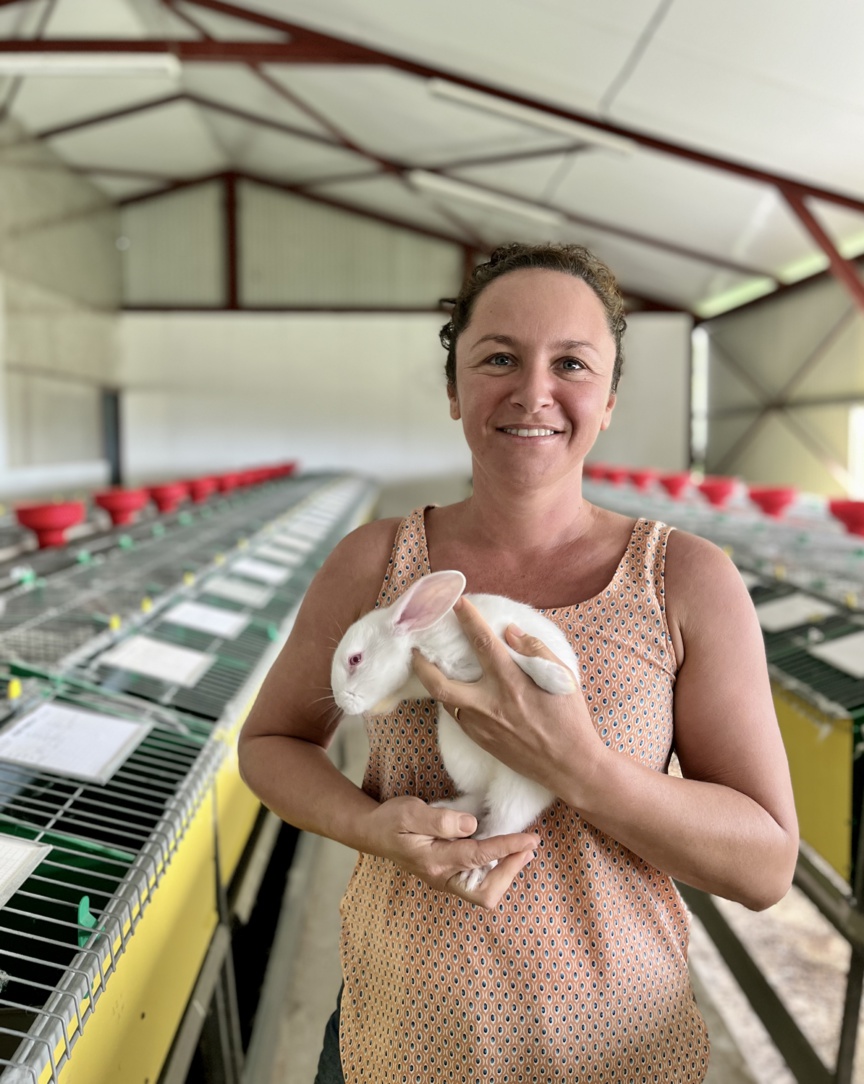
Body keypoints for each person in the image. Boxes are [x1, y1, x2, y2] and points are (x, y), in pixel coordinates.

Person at [237, 242, 799, 1083]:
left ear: (608, 400)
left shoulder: (685, 580)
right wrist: (367, 826)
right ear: (455, 389)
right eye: (498, 358)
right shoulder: (377, 565)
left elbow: (764, 865)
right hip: (398, 1038)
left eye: (571, 363)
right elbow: (270, 743)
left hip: (618, 1052)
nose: (533, 391)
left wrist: (579, 766)